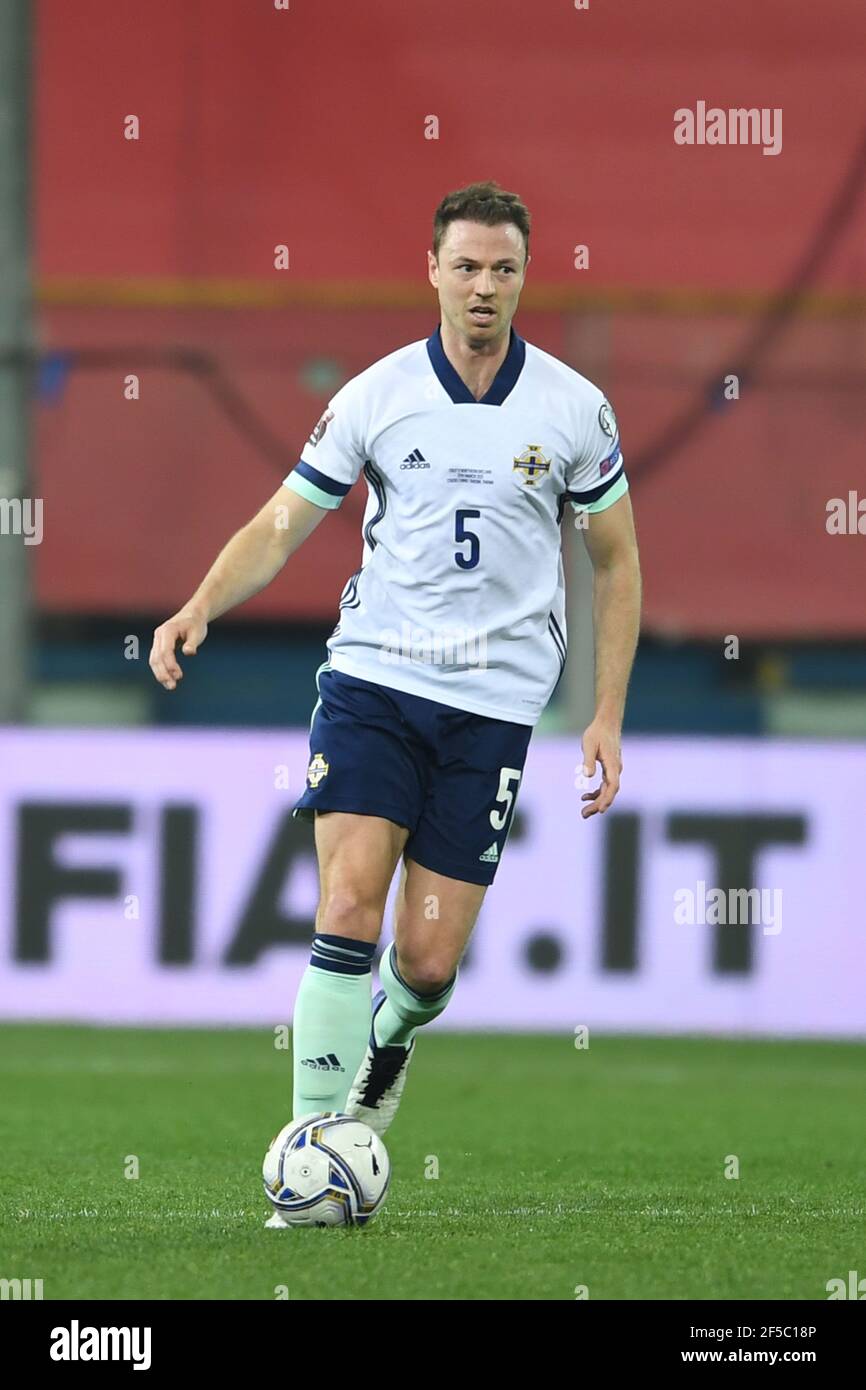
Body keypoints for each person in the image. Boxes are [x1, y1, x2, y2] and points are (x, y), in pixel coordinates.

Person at [149, 179, 642, 1139]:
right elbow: (282, 523)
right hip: (375, 681)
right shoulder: (376, 396)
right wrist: (201, 603)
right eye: (465, 266)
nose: (483, 287)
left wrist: (607, 713)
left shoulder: (575, 409)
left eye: (502, 269)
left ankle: (391, 1037)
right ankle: (310, 1152)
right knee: (345, 903)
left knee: (424, 964)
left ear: (524, 276)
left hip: (494, 706)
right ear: (433, 271)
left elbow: (616, 562)